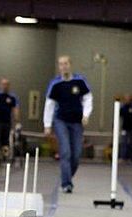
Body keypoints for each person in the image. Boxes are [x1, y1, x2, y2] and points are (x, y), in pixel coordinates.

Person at [43, 55, 93, 193]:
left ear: (70, 65)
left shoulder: (80, 81)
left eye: (65, 63)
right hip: (61, 121)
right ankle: (66, 184)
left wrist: (86, 115)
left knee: (76, 154)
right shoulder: (55, 84)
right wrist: (47, 124)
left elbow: (88, 98)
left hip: (77, 122)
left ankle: (66, 177)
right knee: (65, 151)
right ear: (59, 67)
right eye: (60, 64)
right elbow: (49, 104)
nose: (63, 66)